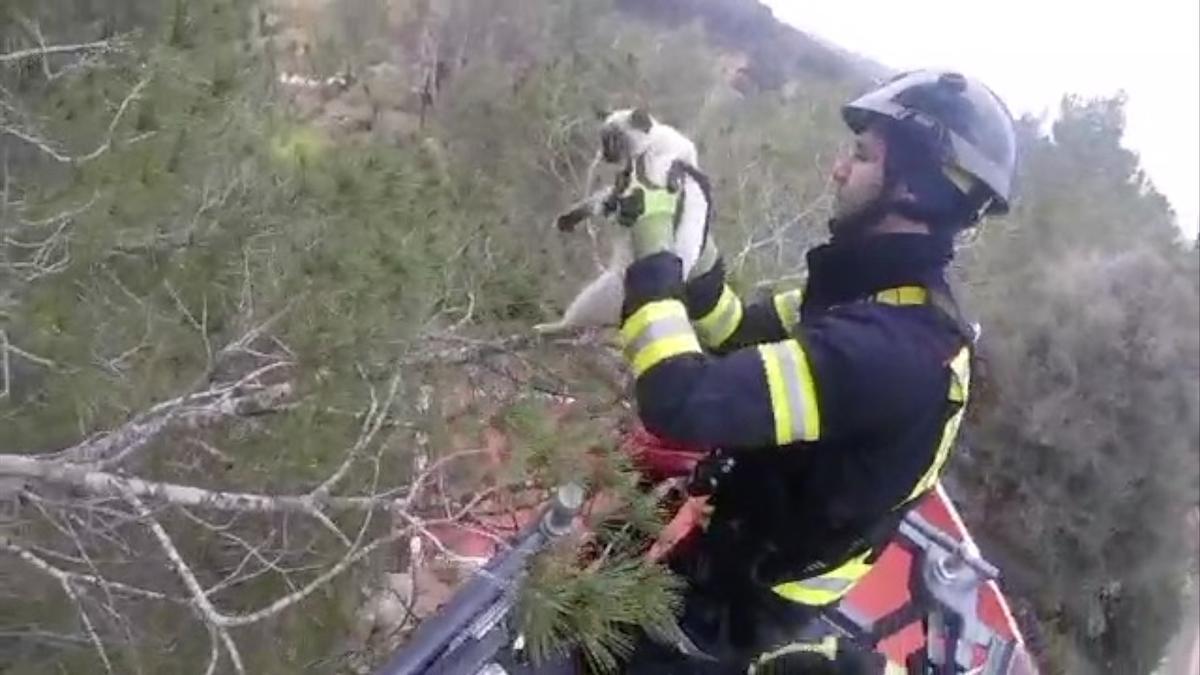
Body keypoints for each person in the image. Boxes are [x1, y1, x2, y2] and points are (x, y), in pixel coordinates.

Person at [615, 70, 1018, 673]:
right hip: (738, 537)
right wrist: (692, 237)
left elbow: (679, 398)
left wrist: (651, 249)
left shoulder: (890, 351)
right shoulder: (876, 294)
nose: (837, 169)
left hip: (740, 607)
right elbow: (731, 330)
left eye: (861, 155)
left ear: (917, 188)